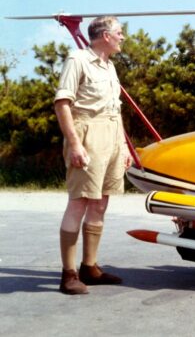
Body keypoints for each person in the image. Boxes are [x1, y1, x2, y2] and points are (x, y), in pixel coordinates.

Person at [54, 16, 131, 294]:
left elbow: (116, 109)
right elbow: (62, 104)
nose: (122, 37)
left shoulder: (110, 67)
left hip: (111, 135)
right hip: (87, 134)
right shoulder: (78, 60)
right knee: (80, 202)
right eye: (119, 33)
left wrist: (122, 146)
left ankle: (90, 267)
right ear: (105, 36)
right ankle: (69, 274)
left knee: (100, 203)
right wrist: (75, 144)